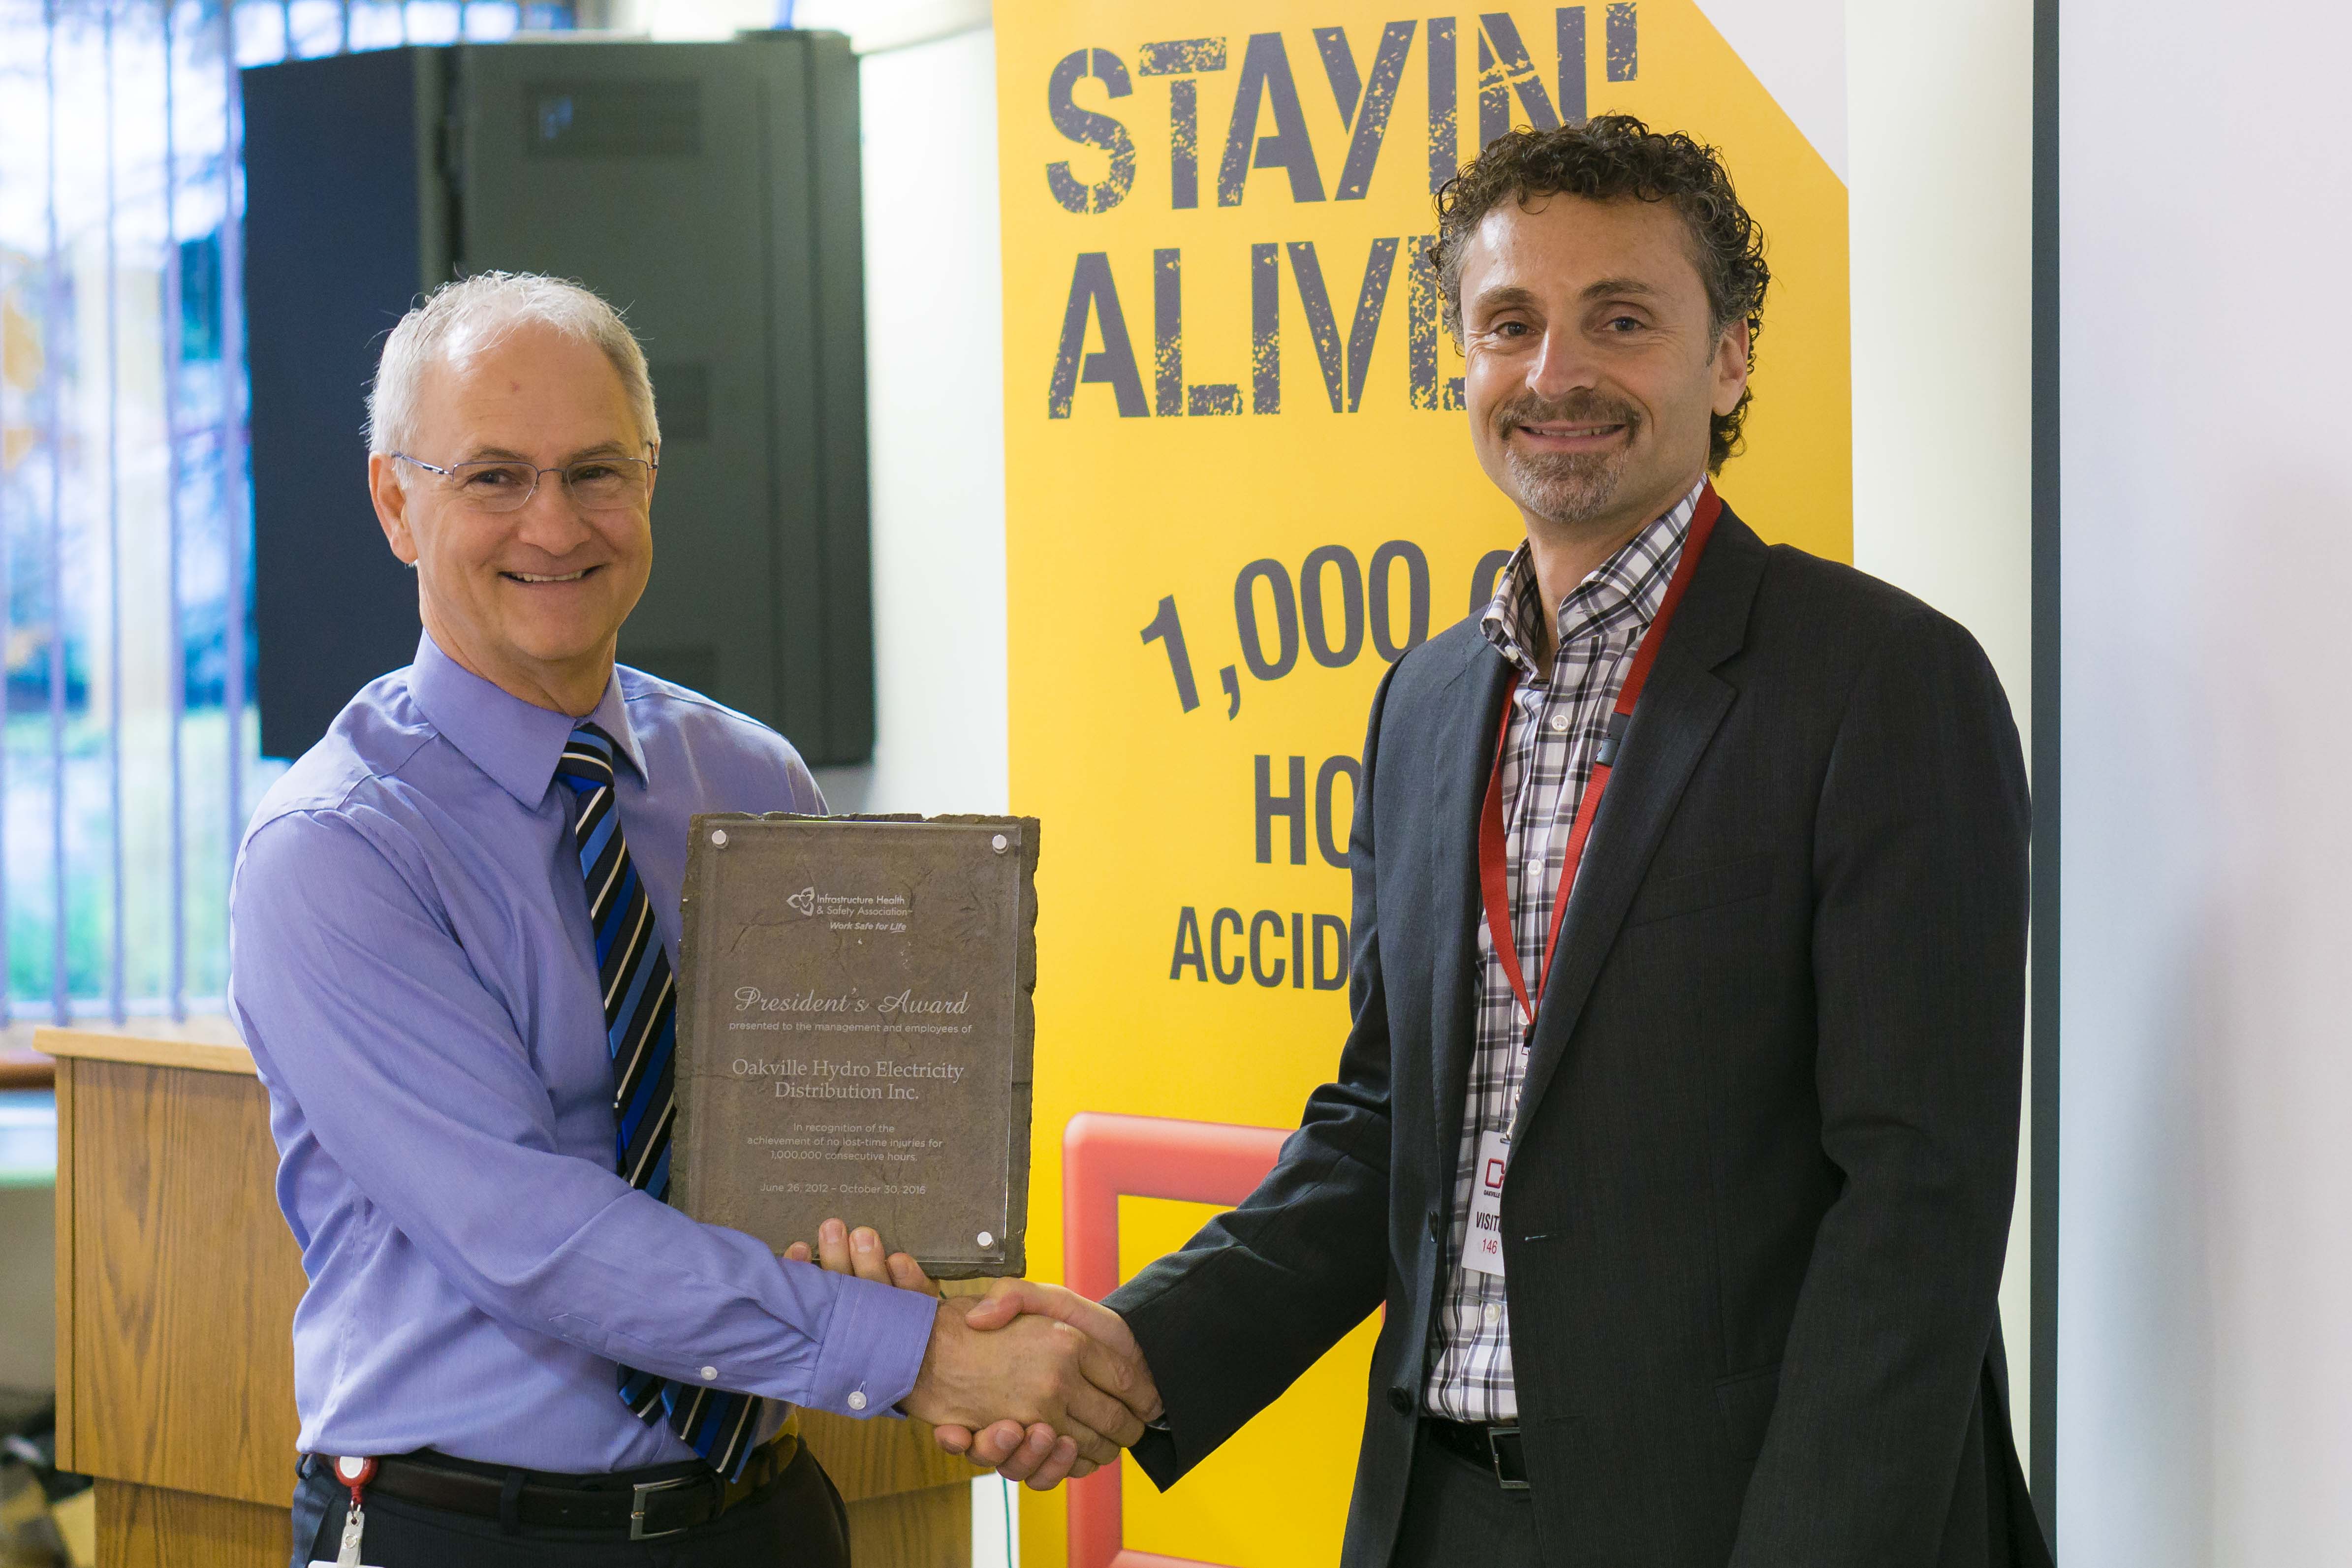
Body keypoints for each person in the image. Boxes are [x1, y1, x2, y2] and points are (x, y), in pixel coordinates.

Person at [935, 116, 2055, 1566]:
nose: (1553, 375)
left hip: (1748, 1515)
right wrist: (1135, 1351)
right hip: (1438, 1510)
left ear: (1728, 360)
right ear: (1458, 360)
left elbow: (1916, 1203)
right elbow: (1385, 1125)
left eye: (1621, 320)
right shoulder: (1427, 701)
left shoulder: (1880, 682)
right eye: (1507, 323)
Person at [228, 273, 1145, 1568]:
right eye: (494, 476)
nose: (554, 523)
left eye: (595, 470)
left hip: (760, 1516)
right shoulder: (337, 848)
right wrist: (926, 1359)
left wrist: (938, 1302)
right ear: (396, 499)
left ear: (648, 479)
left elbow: (835, 1157)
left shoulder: (751, 779)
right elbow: (532, 1236)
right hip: (470, 1531)